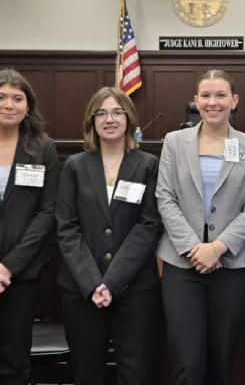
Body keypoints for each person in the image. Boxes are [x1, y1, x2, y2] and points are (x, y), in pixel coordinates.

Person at [156, 69, 245, 385]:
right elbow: (165, 198)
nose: (213, 102)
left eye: (220, 95)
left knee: (222, 360)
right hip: (181, 265)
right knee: (186, 362)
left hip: (231, 267)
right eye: (205, 95)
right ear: (196, 101)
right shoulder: (174, 142)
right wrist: (196, 249)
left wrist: (217, 247)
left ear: (234, 101)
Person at [56, 87, 161, 385]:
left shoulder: (148, 165)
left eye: (116, 112)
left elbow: (148, 225)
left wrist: (112, 282)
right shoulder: (75, 165)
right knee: (86, 371)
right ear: (91, 121)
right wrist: (93, 283)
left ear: (129, 118)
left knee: (136, 371)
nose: (109, 119)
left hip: (135, 289)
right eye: (100, 113)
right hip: (81, 289)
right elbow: (66, 227)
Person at [0, 68, 59, 385]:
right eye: (1, 97)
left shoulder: (42, 148)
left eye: (17, 98)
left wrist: (8, 267)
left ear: (28, 105)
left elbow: (48, 212)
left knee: (15, 360)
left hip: (21, 273)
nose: (9, 104)